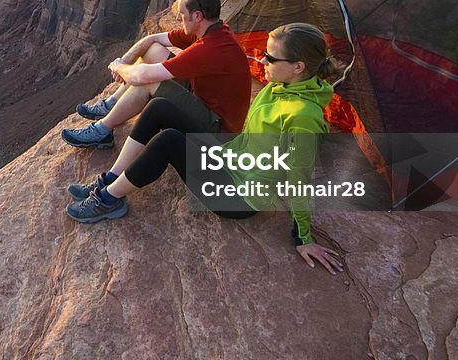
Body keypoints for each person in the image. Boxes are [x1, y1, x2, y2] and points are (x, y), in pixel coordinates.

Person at [65, 22, 344, 273]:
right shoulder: (279, 86)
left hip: (237, 197)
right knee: (161, 106)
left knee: (170, 141)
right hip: (229, 158)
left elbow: (300, 179)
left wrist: (303, 237)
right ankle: (113, 177)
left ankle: (108, 200)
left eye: (271, 57)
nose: (263, 60)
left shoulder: (304, 117)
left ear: (299, 67)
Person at [61, 0, 251, 149]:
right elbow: (152, 39)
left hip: (217, 129)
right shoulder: (209, 29)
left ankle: (102, 130)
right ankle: (111, 105)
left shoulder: (210, 47)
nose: (177, 18)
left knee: (148, 81)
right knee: (153, 50)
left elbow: (142, 76)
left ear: (197, 16)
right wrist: (125, 60)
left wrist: (119, 68)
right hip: (204, 99)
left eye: (182, 14)